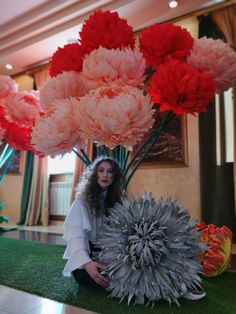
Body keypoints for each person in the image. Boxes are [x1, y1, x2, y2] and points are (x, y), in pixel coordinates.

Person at [62, 156, 123, 287]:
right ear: (95, 174)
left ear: (114, 176)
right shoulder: (81, 200)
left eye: (110, 171)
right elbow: (76, 236)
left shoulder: (118, 200)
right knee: (86, 277)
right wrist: (87, 264)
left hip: (108, 251)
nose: (105, 175)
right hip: (86, 253)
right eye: (101, 170)